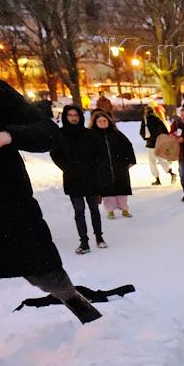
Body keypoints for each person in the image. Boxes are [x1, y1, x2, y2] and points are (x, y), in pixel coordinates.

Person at [0, 76, 101, 365]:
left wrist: (10, 135)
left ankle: (87, 314)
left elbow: (49, 132)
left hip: (6, 206)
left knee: (45, 270)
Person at [50, 104, 104, 254]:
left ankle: (99, 237)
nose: (73, 118)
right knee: (79, 211)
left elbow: (99, 154)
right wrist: (67, 167)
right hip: (72, 179)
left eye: (76, 115)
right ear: (65, 117)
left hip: (91, 177)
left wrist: (93, 167)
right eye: (70, 115)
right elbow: (55, 154)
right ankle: (84, 241)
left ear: (80, 117)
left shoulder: (89, 134)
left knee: (94, 209)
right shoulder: (60, 135)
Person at [89, 108, 136, 221]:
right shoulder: (92, 136)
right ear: (95, 123)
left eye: (104, 121)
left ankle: (124, 209)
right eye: (100, 121)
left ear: (108, 121)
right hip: (102, 169)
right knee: (107, 191)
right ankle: (110, 210)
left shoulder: (116, 134)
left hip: (119, 167)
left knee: (122, 190)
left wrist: (130, 160)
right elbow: (88, 152)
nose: (102, 123)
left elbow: (128, 146)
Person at [139, 104, 173, 185]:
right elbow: (165, 131)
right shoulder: (158, 120)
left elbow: (142, 132)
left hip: (151, 144)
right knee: (161, 160)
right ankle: (170, 172)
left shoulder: (145, 120)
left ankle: (157, 179)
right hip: (159, 143)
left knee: (152, 162)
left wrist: (146, 138)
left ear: (146, 112)